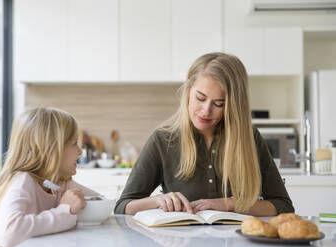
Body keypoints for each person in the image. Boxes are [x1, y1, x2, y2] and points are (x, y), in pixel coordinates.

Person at [114, 52, 294, 216]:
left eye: (219, 104)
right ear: (188, 91)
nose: (206, 111)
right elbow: (123, 207)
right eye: (200, 98)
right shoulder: (163, 139)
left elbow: (283, 206)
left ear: (233, 107)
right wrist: (157, 201)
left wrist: (230, 204)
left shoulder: (250, 138)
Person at [0, 107, 100, 247]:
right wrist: (64, 210)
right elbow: (9, 234)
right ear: (50, 151)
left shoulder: (58, 183)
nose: (80, 152)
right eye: (74, 144)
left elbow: (100, 201)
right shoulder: (22, 181)